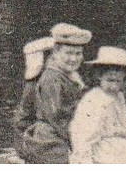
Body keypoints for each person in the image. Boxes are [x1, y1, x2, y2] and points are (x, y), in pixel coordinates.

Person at [12, 21, 92, 163]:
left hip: (57, 135)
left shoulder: (68, 75)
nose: (74, 58)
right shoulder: (52, 79)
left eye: (78, 53)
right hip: (48, 142)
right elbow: (56, 120)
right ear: (56, 52)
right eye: (68, 53)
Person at [68, 47, 126, 164]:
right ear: (99, 76)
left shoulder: (118, 96)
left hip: (116, 142)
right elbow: (85, 134)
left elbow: (124, 122)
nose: (114, 86)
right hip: (99, 146)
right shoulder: (95, 99)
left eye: (118, 81)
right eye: (110, 80)